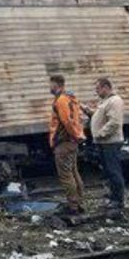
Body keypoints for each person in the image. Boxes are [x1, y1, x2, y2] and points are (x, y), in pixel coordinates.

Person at [83, 78, 126, 212]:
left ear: (106, 87)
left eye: (98, 88)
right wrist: (87, 111)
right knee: (108, 171)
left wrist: (100, 134)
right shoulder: (106, 102)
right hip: (105, 142)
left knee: (114, 172)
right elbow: (100, 116)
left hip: (110, 142)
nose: (96, 91)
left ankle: (118, 200)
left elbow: (114, 122)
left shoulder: (115, 101)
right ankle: (113, 197)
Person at [48, 75, 86, 215]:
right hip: (71, 142)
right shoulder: (71, 98)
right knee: (74, 173)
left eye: (50, 84)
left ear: (56, 84)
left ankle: (73, 206)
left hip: (64, 142)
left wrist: (75, 135)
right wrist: (77, 137)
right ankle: (79, 202)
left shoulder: (61, 100)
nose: (49, 87)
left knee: (66, 175)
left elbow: (67, 121)